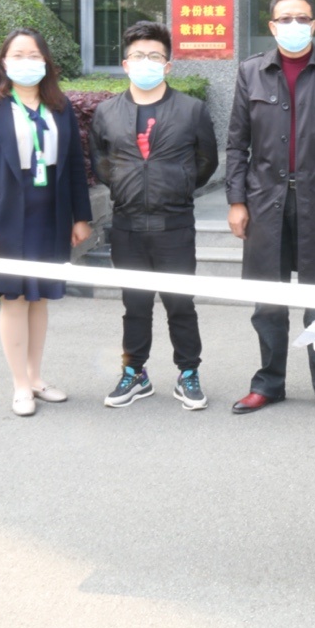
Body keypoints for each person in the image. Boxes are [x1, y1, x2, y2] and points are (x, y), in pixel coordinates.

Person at [226, 0, 315, 417]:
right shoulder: (251, 71)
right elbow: (236, 144)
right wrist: (236, 201)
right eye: (285, 19)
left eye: (302, 18)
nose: (294, 25)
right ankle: (268, 382)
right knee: (267, 301)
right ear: (272, 26)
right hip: (264, 202)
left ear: (314, 24)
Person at [89, 21, 218, 410]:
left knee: (180, 304)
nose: (146, 62)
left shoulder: (192, 110)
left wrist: (174, 184)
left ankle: (188, 373)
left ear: (168, 64)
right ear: (125, 64)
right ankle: (135, 373)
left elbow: (206, 162)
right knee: (135, 304)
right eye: (138, 55)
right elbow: (101, 163)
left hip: (174, 225)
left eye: (154, 56)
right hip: (127, 225)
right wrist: (129, 185)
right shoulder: (107, 112)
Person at [0, 28, 93, 417]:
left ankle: (37, 377)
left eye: (34, 55)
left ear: (46, 62)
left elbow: (75, 166)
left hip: (50, 214)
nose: (26, 62)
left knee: (39, 298)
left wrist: (81, 216)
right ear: (4, 62)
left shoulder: (60, 107)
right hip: (6, 217)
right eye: (18, 55)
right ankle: (20, 384)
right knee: (14, 298)